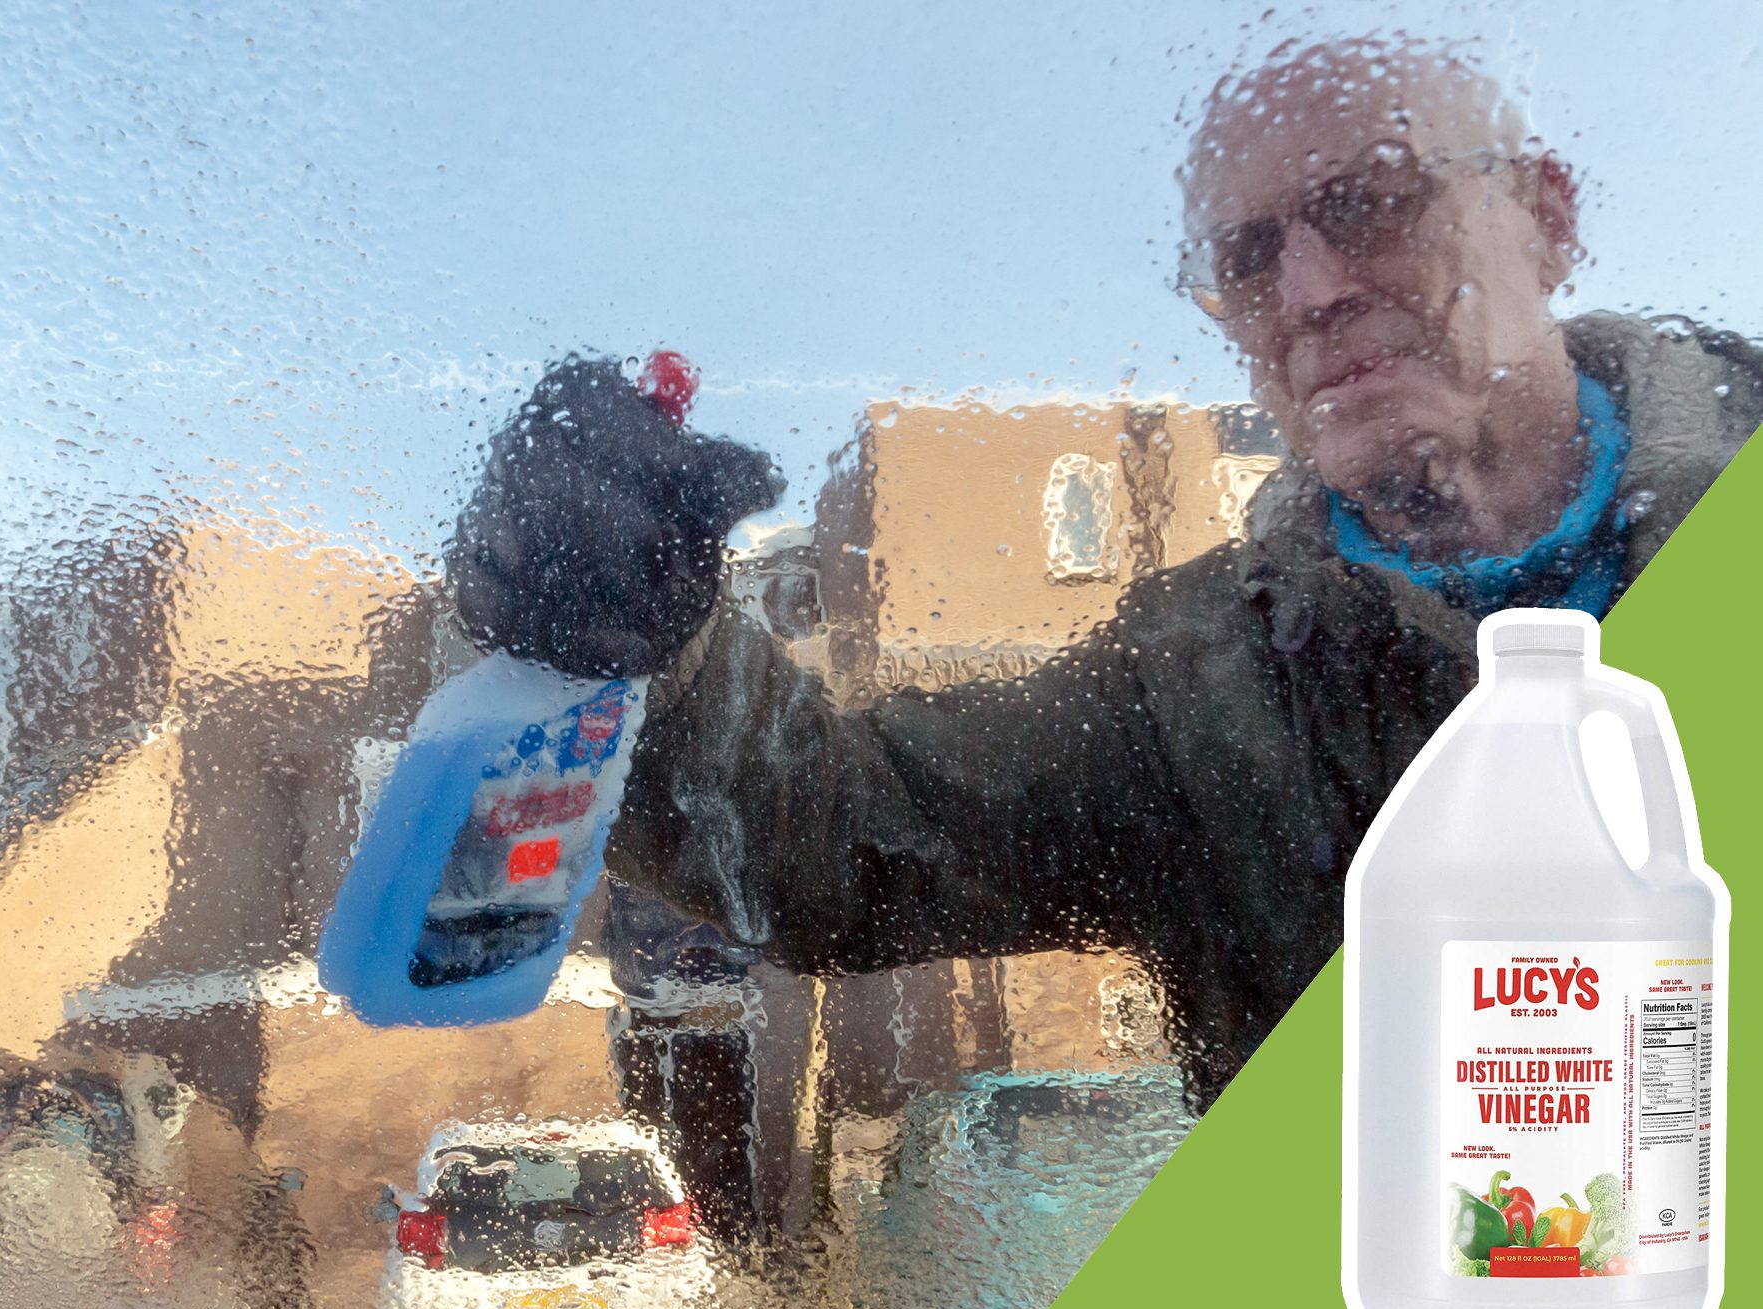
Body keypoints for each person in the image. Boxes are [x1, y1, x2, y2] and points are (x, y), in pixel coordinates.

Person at [448, 37, 1762, 1104]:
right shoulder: (1203, 686)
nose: (1307, 290)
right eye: (1248, 257)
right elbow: (843, 838)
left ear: (1543, 217)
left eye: (1369, 204)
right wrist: (648, 639)